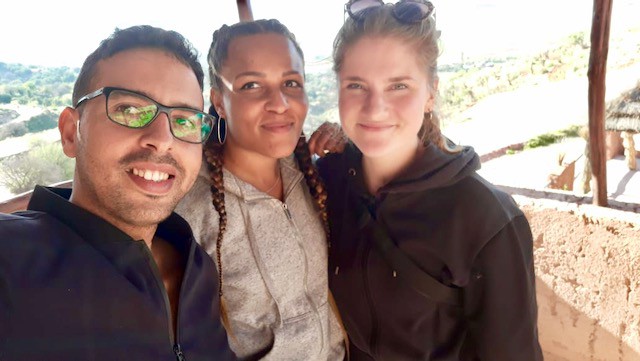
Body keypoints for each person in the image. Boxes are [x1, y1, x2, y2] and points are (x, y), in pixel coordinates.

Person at [316, 1, 544, 360]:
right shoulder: (330, 182)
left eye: (399, 86)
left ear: (430, 94)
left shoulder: (484, 219)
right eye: (357, 85)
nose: (375, 108)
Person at [0, 25, 235, 361]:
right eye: (129, 110)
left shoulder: (197, 266)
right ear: (71, 133)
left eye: (184, 121)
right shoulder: (12, 261)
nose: (163, 138)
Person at [176, 19, 346, 360]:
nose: (280, 102)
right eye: (252, 84)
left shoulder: (312, 173)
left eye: (291, 82)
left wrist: (347, 145)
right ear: (219, 102)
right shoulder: (190, 211)